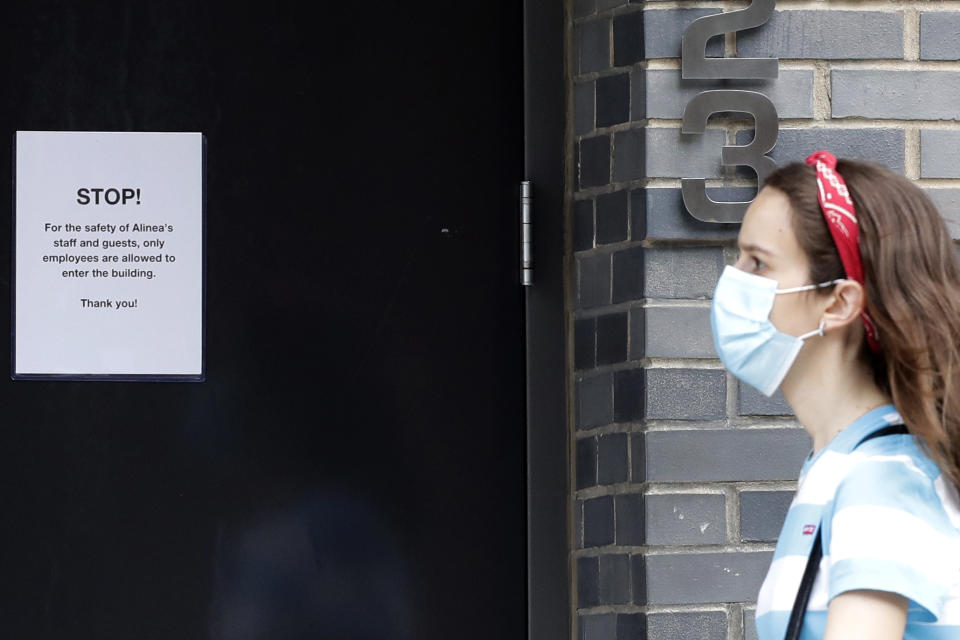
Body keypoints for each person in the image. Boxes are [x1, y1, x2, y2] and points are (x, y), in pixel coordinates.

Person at [710, 150, 960, 640]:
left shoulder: (879, 478)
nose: (732, 279)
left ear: (839, 301)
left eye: (758, 263)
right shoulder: (841, 466)